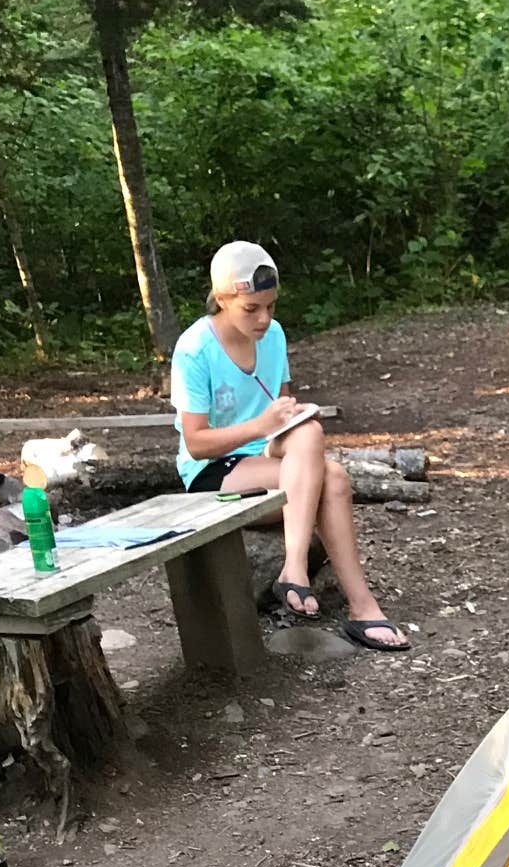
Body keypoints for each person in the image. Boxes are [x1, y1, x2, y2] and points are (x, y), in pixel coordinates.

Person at [169, 241, 408, 652]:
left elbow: (283, 409)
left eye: (271, 307)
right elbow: (196, 444)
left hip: (270, 456)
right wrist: (260, 425)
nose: (264, 318)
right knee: (332, 479)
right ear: (221, 299)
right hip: (215, 470)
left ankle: (295, 570)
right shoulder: (194, 350)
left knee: (311, 433)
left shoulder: (274, 336)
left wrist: (295, 417)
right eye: (251, 309)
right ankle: (361, 607)